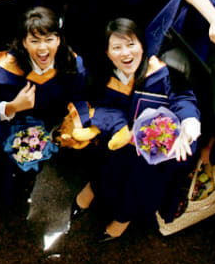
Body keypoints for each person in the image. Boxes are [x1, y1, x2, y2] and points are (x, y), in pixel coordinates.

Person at [71, 19, 201, 241]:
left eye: (131, 44)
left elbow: (183, 99)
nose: (125, 53)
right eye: (116, 47)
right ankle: (90, 192)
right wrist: (117, 127)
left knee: (138, 189)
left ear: (143, 44)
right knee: (105, 171)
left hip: (150, 155)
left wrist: (188, 128)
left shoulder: (161, 73)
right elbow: (91, 104)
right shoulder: (102, 73)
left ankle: (122, 220)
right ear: (107, 52)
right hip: (116, 142)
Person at [0, 6, 86, 204]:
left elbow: (80, 98)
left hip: (46, 129)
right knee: (2, 171)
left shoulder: (72, 66)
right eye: (34, 41)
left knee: (33, 167)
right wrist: (13, 106)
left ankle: (26, 185)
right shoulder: (2, 72)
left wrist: (76, 123)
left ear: (59, 40)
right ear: (23, 42)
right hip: (7, 129)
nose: (42, 48)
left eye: (49, 39)